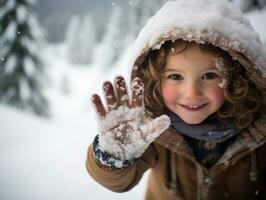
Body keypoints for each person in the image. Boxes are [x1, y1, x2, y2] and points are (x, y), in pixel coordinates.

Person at [86, 0, 266, 199]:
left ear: (237, 79)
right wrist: (116, 154)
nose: (191, 93)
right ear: (155, 81)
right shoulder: (153, 129)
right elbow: (119, 183)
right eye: (175, 77)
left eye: (209, 76)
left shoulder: (259, 131)